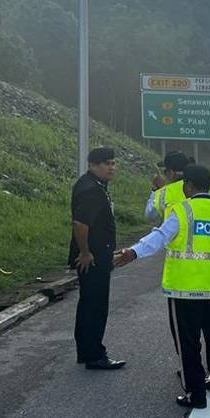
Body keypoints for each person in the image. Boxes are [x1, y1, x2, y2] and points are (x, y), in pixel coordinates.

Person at [114, 164, 210, 408]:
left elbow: (158, 237)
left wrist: (133, 252)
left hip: (185, 290)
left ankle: (196, 395)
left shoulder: (182, 211)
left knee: (188, 345)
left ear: (188, 186)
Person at [70, 147, 125, 370]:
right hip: (92, 259)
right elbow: (80, 224)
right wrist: (85, 253)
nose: (112, 167)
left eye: (113, 163)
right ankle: (94, 355)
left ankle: (87, 351)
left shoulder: (94, 185)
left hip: (97, 254)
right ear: (93, 165)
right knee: (95, 306)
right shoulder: (91, 189)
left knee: (89, 305)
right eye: (106, 163)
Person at [146, 151, 210, 223]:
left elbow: (150, 215)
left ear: (171, 173)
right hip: (208, 239)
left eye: (165, 171)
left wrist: (156, 189)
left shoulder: (164, 193)